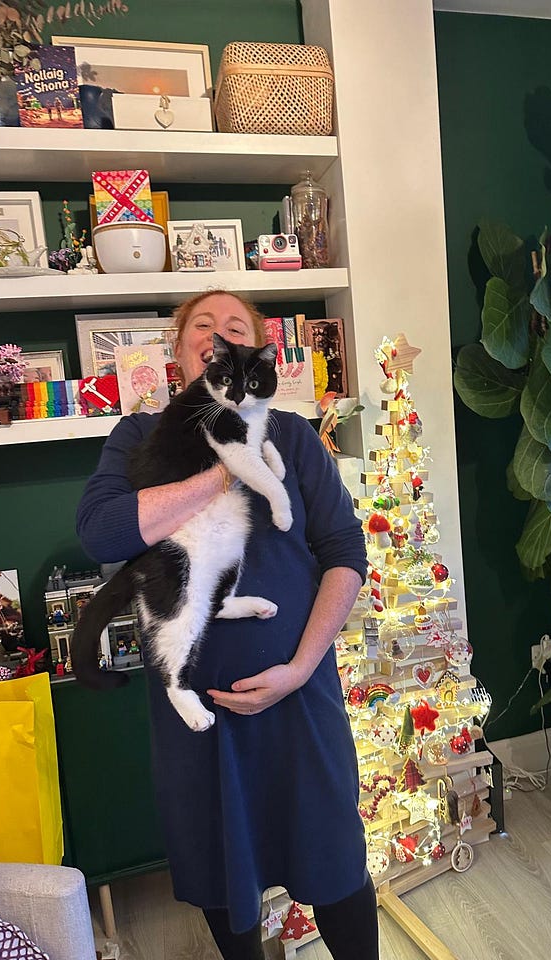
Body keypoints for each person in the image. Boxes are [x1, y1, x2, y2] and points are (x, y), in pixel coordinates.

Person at [76, 290, 379, 960]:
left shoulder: (294, 435)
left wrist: (300, 667)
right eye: (202, 327)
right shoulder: (138, 436)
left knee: (332, 856)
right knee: (222, 869)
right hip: (200, 720)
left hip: (302, 697)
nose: (218, 334)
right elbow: (101, 534)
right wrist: (220, 468)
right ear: (185, 352)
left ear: (255, 352)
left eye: (235, 326)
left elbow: (344, 552)